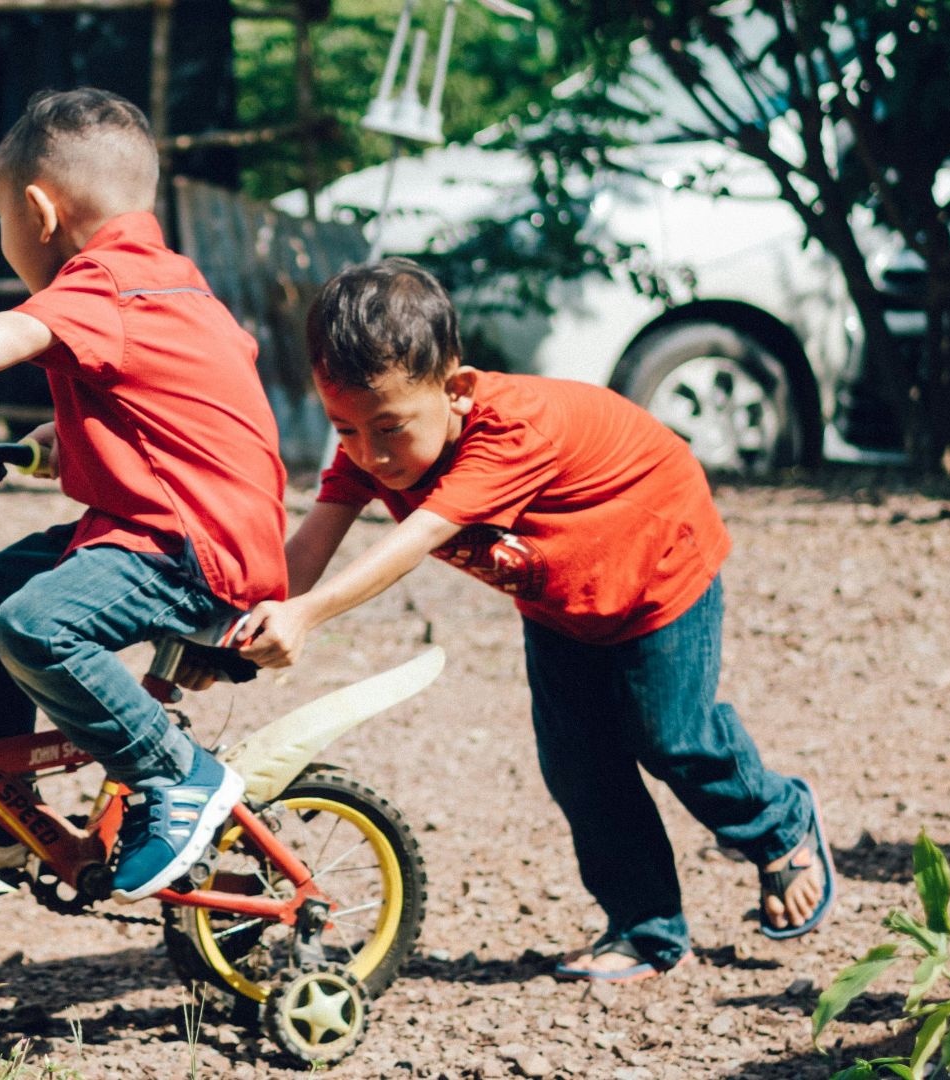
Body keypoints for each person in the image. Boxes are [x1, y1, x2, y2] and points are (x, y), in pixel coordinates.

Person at [237, 258, 833, 980]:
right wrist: (245, 617)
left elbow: (415, 539)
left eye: (389, 427)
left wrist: (307, 616)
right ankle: (645, 929)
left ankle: (778, 824)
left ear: (455, 389)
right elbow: (312, 540)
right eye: (346, 429)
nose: (370, 454)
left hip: (658, 571)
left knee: (672, 735)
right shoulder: (371, 445)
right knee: (578, 764)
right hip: (561, 599)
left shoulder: (509, 432)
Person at [0, 88, 287, 903]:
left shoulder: (107, 282)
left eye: (0, 221)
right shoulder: (167, 283)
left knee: (33, 624)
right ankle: (0, 807)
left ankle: (176, 775)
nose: (4, 242)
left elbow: (16, 330)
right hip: (171, 524)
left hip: (189, 547)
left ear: (38, 211)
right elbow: (168, 413)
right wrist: (56, 446)